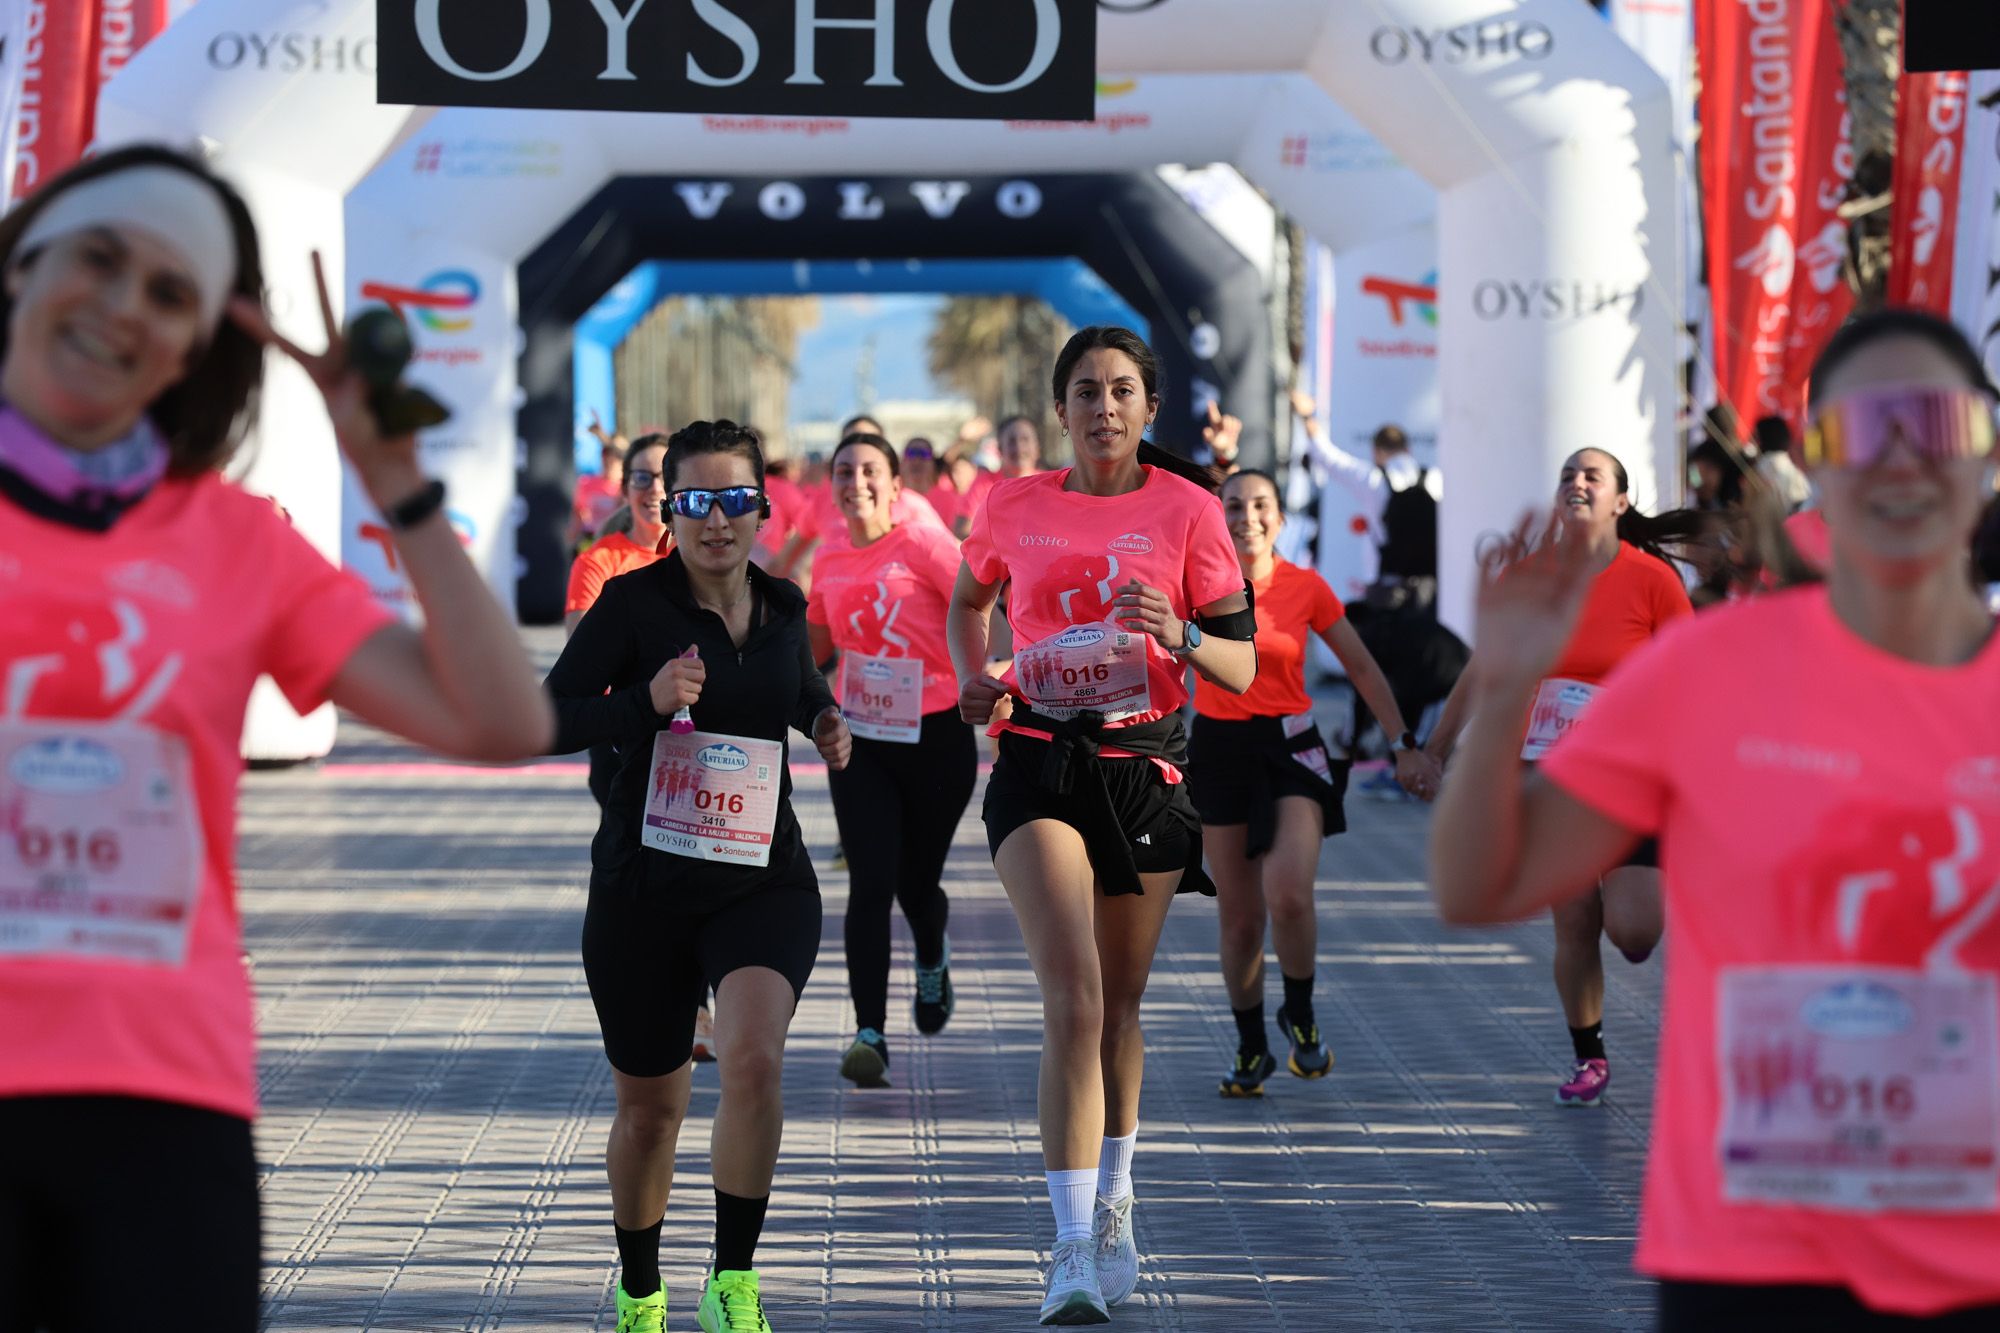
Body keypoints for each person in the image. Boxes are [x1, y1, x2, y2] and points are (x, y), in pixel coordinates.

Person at [0, 145, 552, 1327]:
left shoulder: (232, 539)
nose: (119, 308)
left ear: (196, 347)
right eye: (97, 261)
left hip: (161, 1096)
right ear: (21, 267)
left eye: (167, 294)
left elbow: (502, 720)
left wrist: (392, 477)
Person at [1431, 308, 2000, 1327]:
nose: (1901, 456)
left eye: (1935, 421)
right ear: (1815, 460)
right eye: (1864, 429)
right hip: (1746, 1255)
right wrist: (1509, 681)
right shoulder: (1708, 671)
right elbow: (1480, 882)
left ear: (1986, 452)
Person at [948, 327, 1257, 1325]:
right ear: (1060, 408)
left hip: (1146, 770)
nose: (1103, 407)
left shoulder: (1190, 511)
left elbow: (1241, 668)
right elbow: (968, 602)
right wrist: (973, 677)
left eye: (1122, 390)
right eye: (1084, 391)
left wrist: (1179, 633)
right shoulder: (1014, 504)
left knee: (1119, 1007)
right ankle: (1070, 1248)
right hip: (1039, 759)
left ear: (1147, 408)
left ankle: (1116, 1195)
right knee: (1073, 997)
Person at [546, 419, 853, 1333]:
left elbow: (797, 689)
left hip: (762, 878)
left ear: (761, 507)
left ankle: (733, 1283)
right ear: (668, 509)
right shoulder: (634, 608)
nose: (716, 520)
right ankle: (642, 1288)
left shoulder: (786, 606)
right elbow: (549, 713)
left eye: (733, 500)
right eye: (695, 502)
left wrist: (825, 720)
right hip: (644, 890)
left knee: (754, 1058)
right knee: (651, 1113)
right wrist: (643, 701)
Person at [1425, 447, 1698, 1107]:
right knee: (1574, 921)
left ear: (1620, 502)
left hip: (1633, 778)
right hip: (1551, 776)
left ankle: (1631, 888)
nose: (1576, 483)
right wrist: (1433, 749)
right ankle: (1590, 1055)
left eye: (1592, 475)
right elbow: (1484, 668)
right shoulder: (1532, 576)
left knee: (1634, 935)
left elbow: (1692, 675)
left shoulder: (1652, 580)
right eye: (1568, 475)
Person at [1193, 470, 1441, 1097]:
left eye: (1261, 505)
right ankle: (1251, 1046)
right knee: (1241, 920)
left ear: (1280, 518)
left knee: (1290, 896)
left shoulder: (1306, 586)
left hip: (1291, 746)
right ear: (1217, 516)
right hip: (1220, 749)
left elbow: (1359, 664)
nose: (1247, 517)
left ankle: (1298, 1013)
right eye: (1234, 506)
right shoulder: (1194, 585)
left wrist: (1403, 744)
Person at [806, 433, 977, 1088]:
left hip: (937, 734)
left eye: (870, 470)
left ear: (895, 482)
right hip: (863, 739)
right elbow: (816, 647)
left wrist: (985, 672)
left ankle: (932, 949)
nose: (857, 481)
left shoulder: (925, 542)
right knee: (870, 883)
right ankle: (869, 1031)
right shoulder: (829, 558)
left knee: (914, 885)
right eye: (844, 470)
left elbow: (979, 604)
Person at [571, 411, 629, 552]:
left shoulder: (631, 485)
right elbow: (577, 519)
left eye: (614, 454)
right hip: (591, 545)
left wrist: (602, 437)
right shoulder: (586, 483)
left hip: (619, 548)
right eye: (605, 452)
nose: (609, 459)